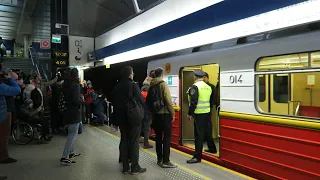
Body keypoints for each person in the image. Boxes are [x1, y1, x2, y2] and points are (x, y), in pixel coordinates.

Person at [112, 66, 146, 174]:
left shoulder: (116, 87)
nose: (133, 75)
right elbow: (140, 100)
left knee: (124, 140)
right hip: (132, 118)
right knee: (134, 141)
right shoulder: (133, 85)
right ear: (129, 74)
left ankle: (125, 167)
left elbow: (115, 103)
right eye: (132, 73)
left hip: (121, 119)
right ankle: (135, 167)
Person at [147, 68, 176, 168]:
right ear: (162, 75)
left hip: (155, 115)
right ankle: (166, 161)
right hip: (164, 114)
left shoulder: (151, 85)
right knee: (167, 138)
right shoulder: (163, 84)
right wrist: (172, 113)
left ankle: (159, 159)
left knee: (158, 137)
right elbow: (168, 100)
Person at [186, 70, 213, 164]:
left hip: (199, 114)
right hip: (207, 113)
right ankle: (211, 148)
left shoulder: (195, 87)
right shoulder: (208, 87)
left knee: (198, 136)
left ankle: (197, 157)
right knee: (205, 132)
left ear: (195, 77)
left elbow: (193, 102)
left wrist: (189, 113)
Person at [60, 68, 81, 165]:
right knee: (72, 135)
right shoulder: (75, 86)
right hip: (73, 113)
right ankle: (65, 156)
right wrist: (84, 102)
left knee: (71, 133)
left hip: (66, 111)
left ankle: (71, 152)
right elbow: (76, 101)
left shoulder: (65, 84)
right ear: (76, 75)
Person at [0, 71, 21, 164]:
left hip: (6, 111)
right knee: (4, 136)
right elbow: (17, 90)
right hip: (4, 113)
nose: (17, 82)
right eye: (15, 79)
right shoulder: (3, 85)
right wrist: (10, 79)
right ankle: (3, 156)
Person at [202, 72, 218, 154]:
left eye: (204, 77)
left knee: (207, 130)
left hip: (207, 111)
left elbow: (213, 99)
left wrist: (209, 107)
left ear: (207, 78)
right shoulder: (203, 87)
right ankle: (209, 146)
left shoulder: (211, 87)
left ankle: (212, 148)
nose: (203, 79)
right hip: (204, 110)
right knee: (205, 129)